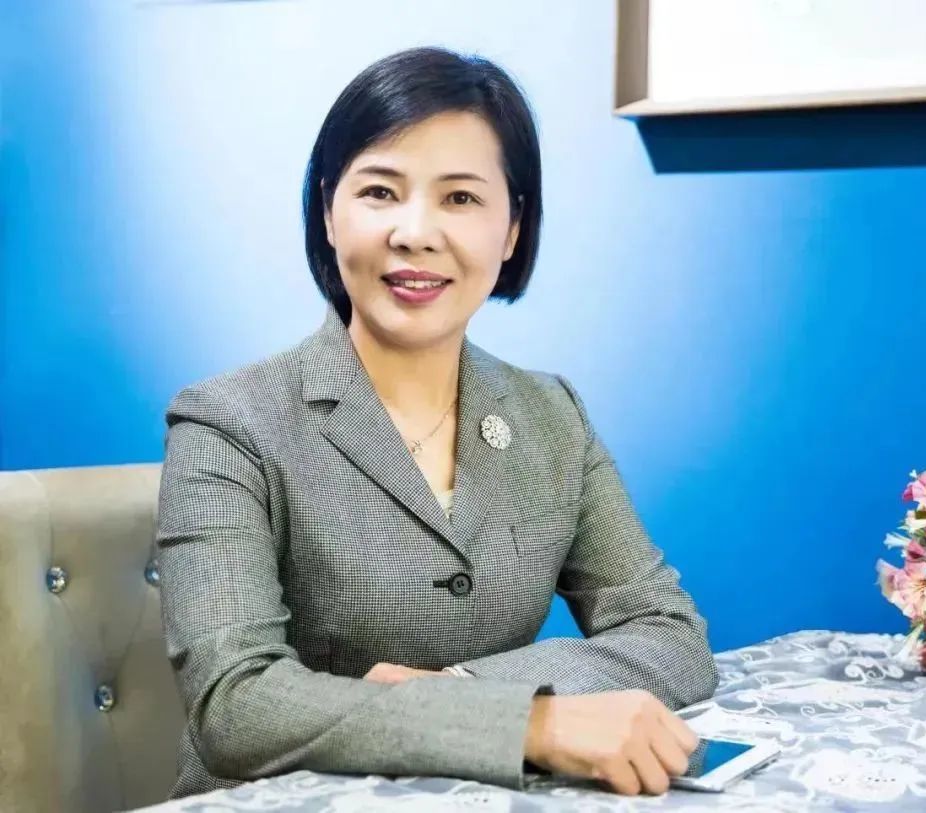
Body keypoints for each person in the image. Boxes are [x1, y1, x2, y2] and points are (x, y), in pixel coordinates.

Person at [156, 45, 719, 800]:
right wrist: (530, 725)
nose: (416, 232)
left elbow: (669, 634)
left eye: (459, 198)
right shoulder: (229, 420)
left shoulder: (552, 415)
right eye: (380, 192)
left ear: (512, 228)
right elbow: (236, 704)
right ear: (328, 212)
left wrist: (468, 694)